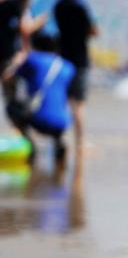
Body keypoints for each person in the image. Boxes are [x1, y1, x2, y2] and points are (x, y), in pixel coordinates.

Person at [2, 32, 74, 165]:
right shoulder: (67, 66)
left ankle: (30, 145)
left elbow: (7, 77)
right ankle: (59, 143)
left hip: (39, 119)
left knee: (11, 107)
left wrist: (16, 62)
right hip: (64, 121)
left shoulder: (33, 59)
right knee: (55, 106)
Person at [54, 0, 98, 155]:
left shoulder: (59, 5)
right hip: (79, 58)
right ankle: (80, 141)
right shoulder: (81, 7)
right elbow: (93, 30)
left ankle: (59, 139)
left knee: (62, 100)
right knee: (78, 103)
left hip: (63, 56)